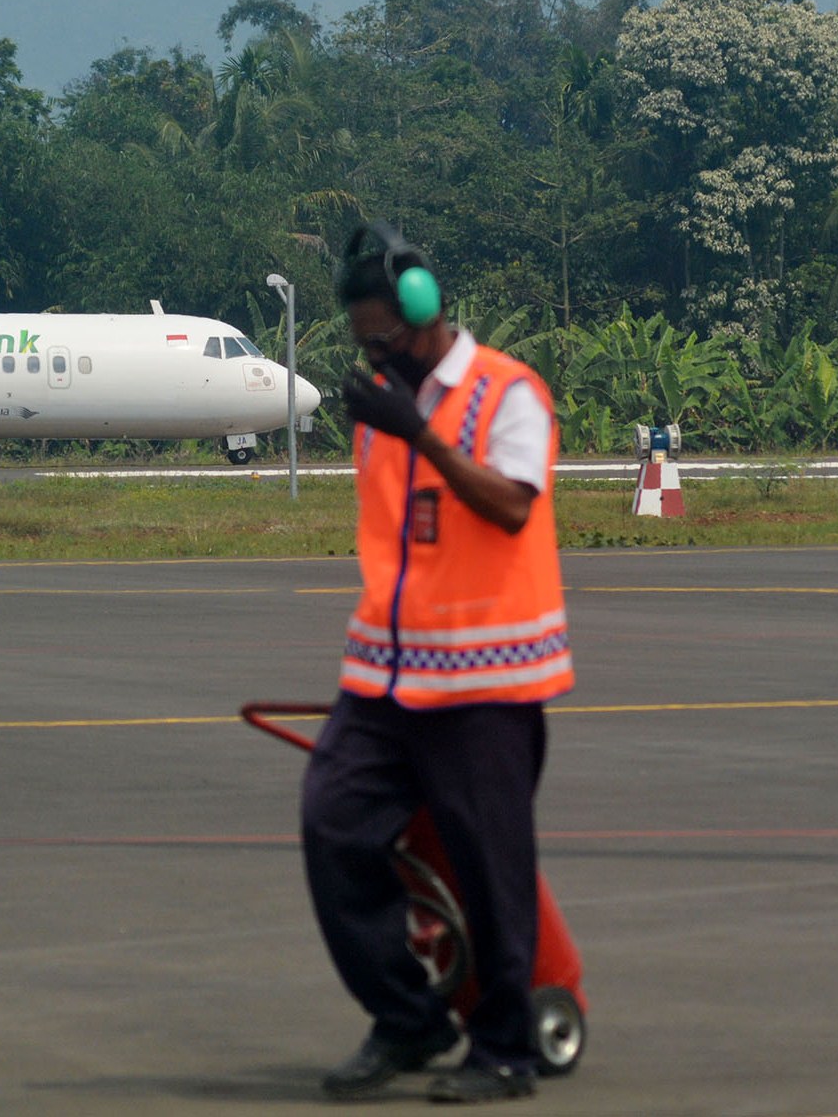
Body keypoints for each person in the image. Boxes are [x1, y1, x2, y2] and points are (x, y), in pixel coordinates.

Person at [301, 222, 574, 1104]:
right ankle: (410, 1018)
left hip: (485, 682)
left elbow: (509, 508)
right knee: (334, 829)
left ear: (425, 312)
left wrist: (419, 432)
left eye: (384, 338)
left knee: (490, 870)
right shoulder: (386, 402)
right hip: (384, 679)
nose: (374, 354)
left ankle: (504, 1050)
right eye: (363, 343)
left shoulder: (508, 393)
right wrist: (400, 417)